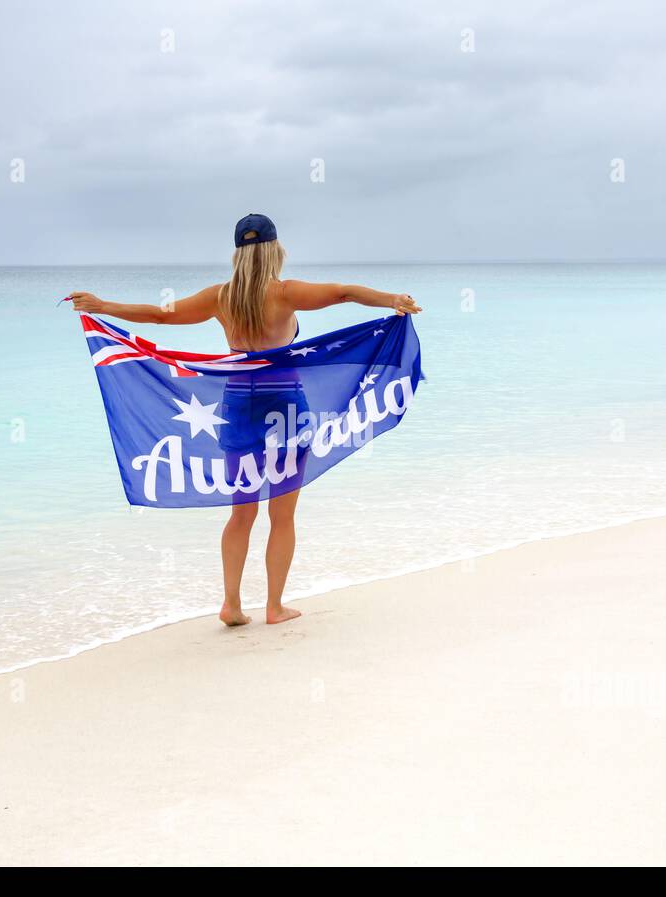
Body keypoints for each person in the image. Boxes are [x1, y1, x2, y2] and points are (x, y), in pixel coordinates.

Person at [69, 213, 420, 626]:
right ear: (275, 250)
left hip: (237, 406)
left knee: (241, 513)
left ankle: (231, 605)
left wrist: (103, 306)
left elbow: (159, 316)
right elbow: (343, 293)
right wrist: (391, 299)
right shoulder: (287, 293)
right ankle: (274, 607)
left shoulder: (221, 297)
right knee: (283, 514)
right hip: (285, 408)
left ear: (237, 254)